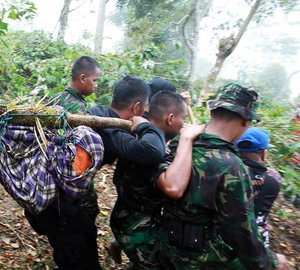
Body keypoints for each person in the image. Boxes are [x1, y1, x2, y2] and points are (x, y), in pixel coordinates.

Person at [155, 83, 289, 269]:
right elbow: (241, 233)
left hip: (167, 251)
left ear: (212, 112)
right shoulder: (232, 167)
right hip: (204, 261)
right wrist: (271, 262)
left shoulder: (179, 145)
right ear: (246, 121)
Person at [24, 56, 102, 270]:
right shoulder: (78, 111)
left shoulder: (51, 102)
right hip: (72, 197)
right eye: (95, 80)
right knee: (78, 248)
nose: (96, 85)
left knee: (65, 245)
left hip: (49, 191)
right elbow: (82, 160)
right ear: (83, 77)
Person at [87, 76, 167, 269]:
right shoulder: (108, 127)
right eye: (147, 106)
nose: (147, 111)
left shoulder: (102, 114)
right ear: (137, 108)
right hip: (64, 206)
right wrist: (145, 126)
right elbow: (153, 151)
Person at [236, 127, 282, 247]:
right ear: (263, 154)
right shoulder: (274, 178)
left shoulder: (230, 172)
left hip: (226, 237)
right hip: (256, 240)